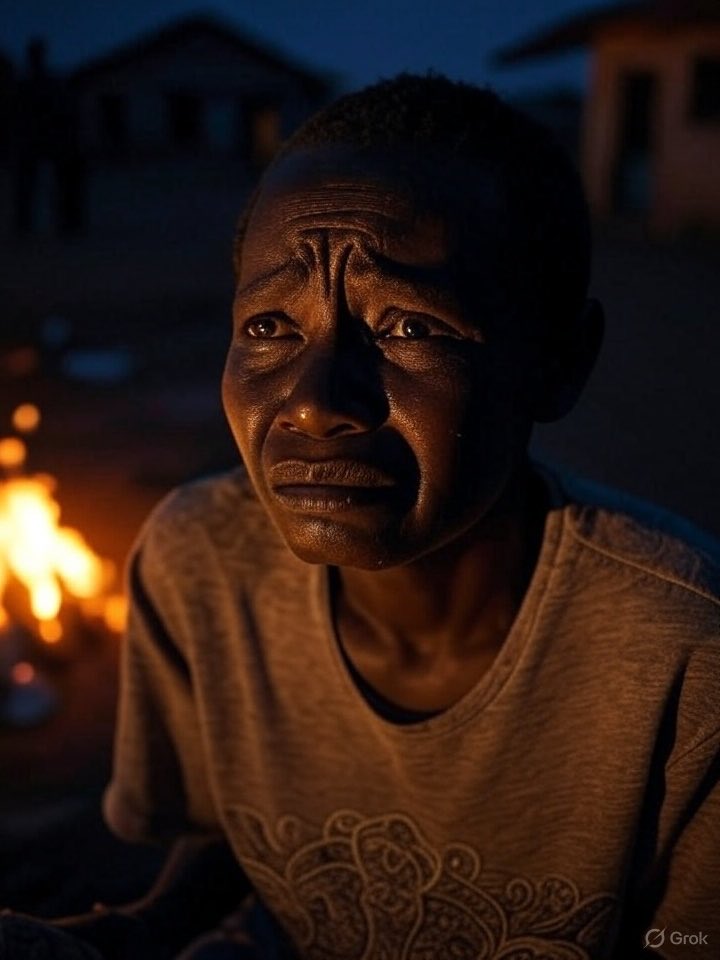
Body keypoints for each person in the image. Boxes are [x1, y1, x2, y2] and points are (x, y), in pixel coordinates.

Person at [3, 72, 719, 960]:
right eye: (269, 327)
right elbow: (235, 835)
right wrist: (135, 933)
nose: (313, 404)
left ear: (559, 363)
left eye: (410, 328)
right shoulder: (199, 564)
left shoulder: (688, 662)